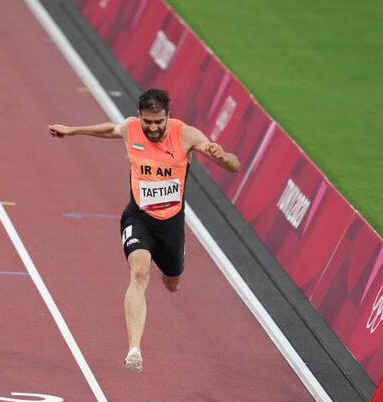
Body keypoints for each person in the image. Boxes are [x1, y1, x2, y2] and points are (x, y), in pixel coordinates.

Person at [49, 88, 240, 372]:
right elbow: (110, 129)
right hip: (138, 217)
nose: (152, 128)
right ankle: (134, 350)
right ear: (140, 116)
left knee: (172, 281)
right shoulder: (132, 128)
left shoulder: (186, 135)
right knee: (139, 273)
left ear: (168, 116)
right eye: (147, 122)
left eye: (158, 122)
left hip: (171, 224)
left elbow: (234, 166)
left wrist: (222, 156)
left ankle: (171, 272)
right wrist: (73, 130)